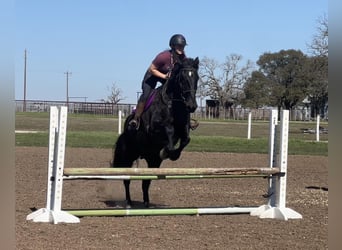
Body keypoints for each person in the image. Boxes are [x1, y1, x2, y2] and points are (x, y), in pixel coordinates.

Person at [129, 34, 187, 129]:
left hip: (166, 77)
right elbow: (151, 69)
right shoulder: (163, 56)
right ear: (172, 46)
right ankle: (136, 119)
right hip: (152, 76)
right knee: (146, 95)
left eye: (183, 46)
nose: (181, 48)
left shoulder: (183, 57)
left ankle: (184, 120)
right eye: (179, 46)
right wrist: (164, 76)